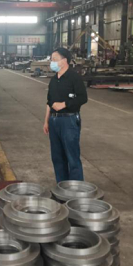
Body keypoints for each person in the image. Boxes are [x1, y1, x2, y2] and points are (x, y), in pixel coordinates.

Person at [43, 47, 88, 183]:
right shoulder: (53, 80)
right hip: (54, 121)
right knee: (57, 157)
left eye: (54, 59)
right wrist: (46, 121)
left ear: (64, 60)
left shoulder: (74, 78)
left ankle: (75, 189)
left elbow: (83, 98)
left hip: (69, 120)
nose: (52, 62)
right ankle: (62, 187)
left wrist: (64, 104)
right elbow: (49, 102)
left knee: (72, 157)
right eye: (51, 59)